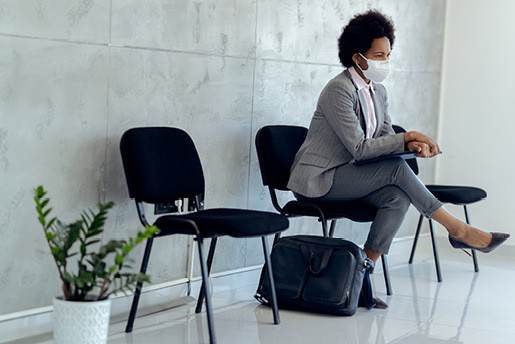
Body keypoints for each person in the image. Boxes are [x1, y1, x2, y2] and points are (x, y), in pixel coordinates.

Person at [287, 10, 509, 308]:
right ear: (357, 57)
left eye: (388, 54)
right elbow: (361, 149)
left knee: (396, 196)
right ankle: (457, 229)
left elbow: (385, 138)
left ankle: (360, 275)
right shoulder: (338, 90)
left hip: (349, 175)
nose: (385, 62)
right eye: (378, 55)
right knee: (395, 170)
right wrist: (407, 136)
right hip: (319, 180)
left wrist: (415, 145)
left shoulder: (377, 90)